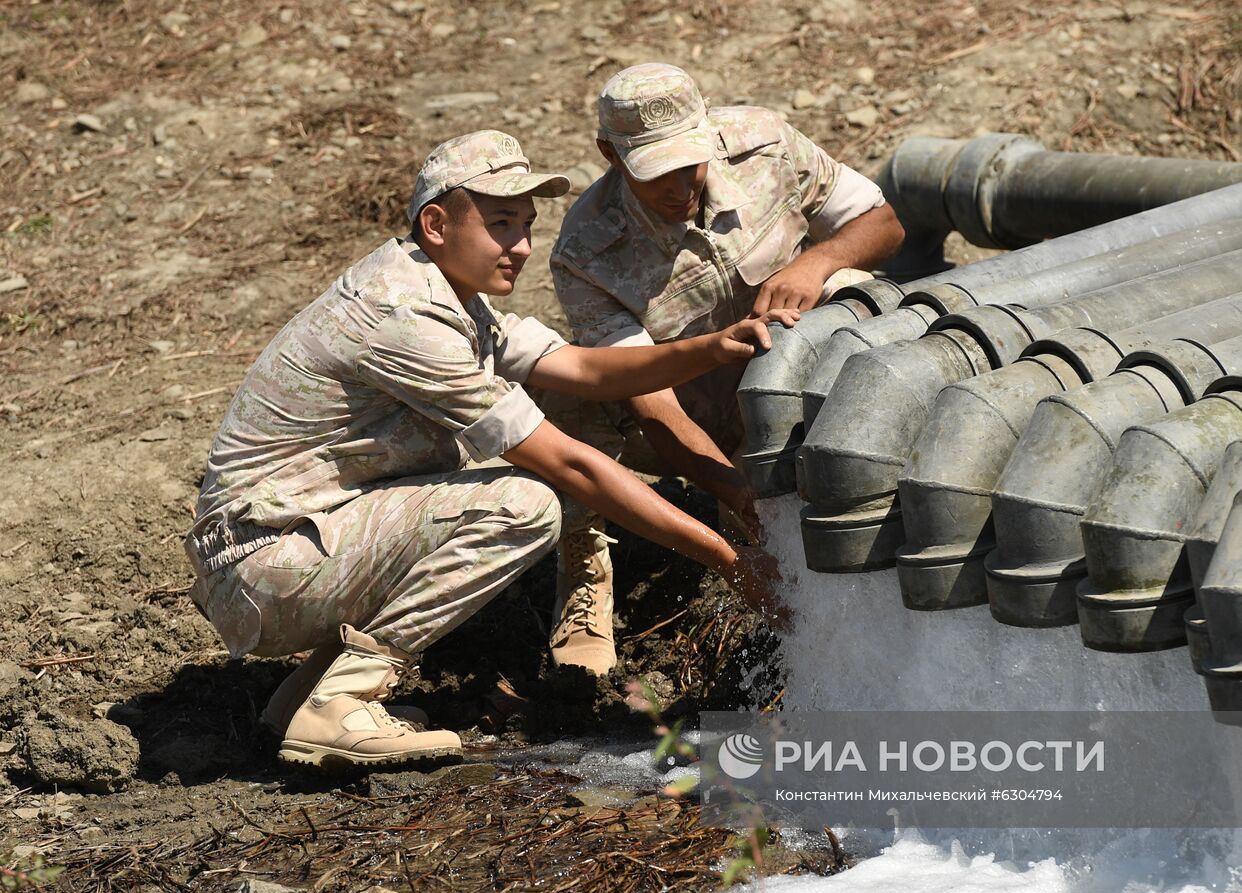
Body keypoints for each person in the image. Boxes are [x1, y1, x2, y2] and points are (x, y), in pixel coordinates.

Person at [184, 130, 791, 769]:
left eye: (527, 225)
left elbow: (582, 370)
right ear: (437, 223)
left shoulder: (446, 293)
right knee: (524, 503)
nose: (522, 246)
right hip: (261, 566)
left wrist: (713, 346)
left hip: (290, 548)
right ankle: (344, 699)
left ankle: (307, 697)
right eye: (501, 223)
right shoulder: (403, 316)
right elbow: (570, 462)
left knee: (522, 461)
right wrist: (727, 557)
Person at [546, 63, 905, 674]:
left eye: (691, 159)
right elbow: (650, 400)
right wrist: (734, 491)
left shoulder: (765, 144)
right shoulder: (587, 250)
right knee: (564, 393)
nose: (681, 184)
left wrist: (814, 264)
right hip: (703, 422)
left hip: (811, 386)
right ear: (610, 154)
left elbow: (883, 224)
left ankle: (888, 456)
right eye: (656, 170)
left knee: (852, 286)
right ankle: (584, 573)